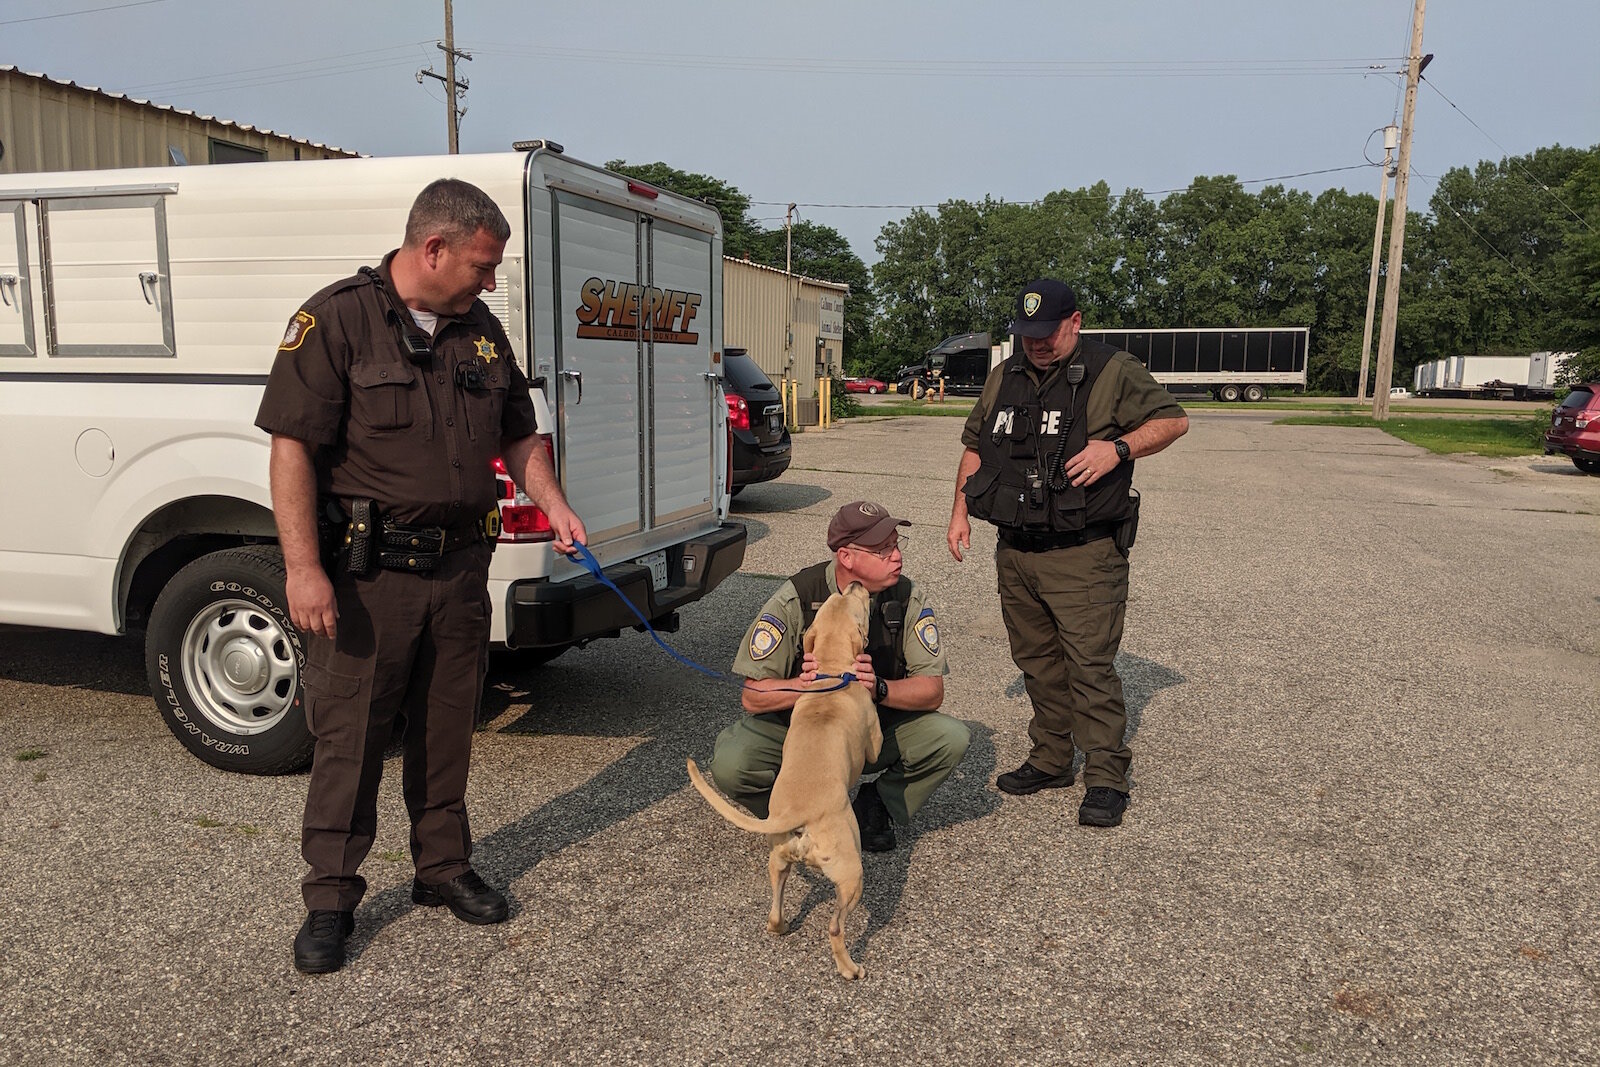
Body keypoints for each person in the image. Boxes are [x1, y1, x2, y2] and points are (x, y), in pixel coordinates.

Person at [255, 179, 586, 974]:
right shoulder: (337, 319)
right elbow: (292, 448)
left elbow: (519, 436)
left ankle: (441, 868)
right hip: (372, 580)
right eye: (482, 263)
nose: (490, 279)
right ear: (432, 248)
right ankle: (330, 898)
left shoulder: (481, 332)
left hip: (461, 573)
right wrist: (303, 569)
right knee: (352, 739)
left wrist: (556, 503)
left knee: (447, 730)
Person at [946, 279, 1187, 828]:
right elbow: (974, 445)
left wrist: (1118, 448)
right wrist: (959, 512)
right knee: (1036, 663)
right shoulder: (1004, 375)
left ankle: (1105, 777)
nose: (1036, 344)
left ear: (1075, 321)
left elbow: (1174, 420)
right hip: (1016, 550)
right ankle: (1052, 759)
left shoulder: (1113, 370)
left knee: (1089, 667)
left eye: (1047, 333)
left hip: (1084, 554)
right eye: (1026, 334)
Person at [711, 500, 969, 851]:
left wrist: (878, 687)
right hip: (805, 735)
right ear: (846, 557)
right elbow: (753, 695)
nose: (896, 556)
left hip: (869, 732)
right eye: (882, 550)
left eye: (896, 544)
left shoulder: (907, 598)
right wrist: (806, 686)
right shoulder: (798, 598)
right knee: (733, 762)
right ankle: (797, 814)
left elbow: (932, 691)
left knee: (949, 738)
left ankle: (876, 804)